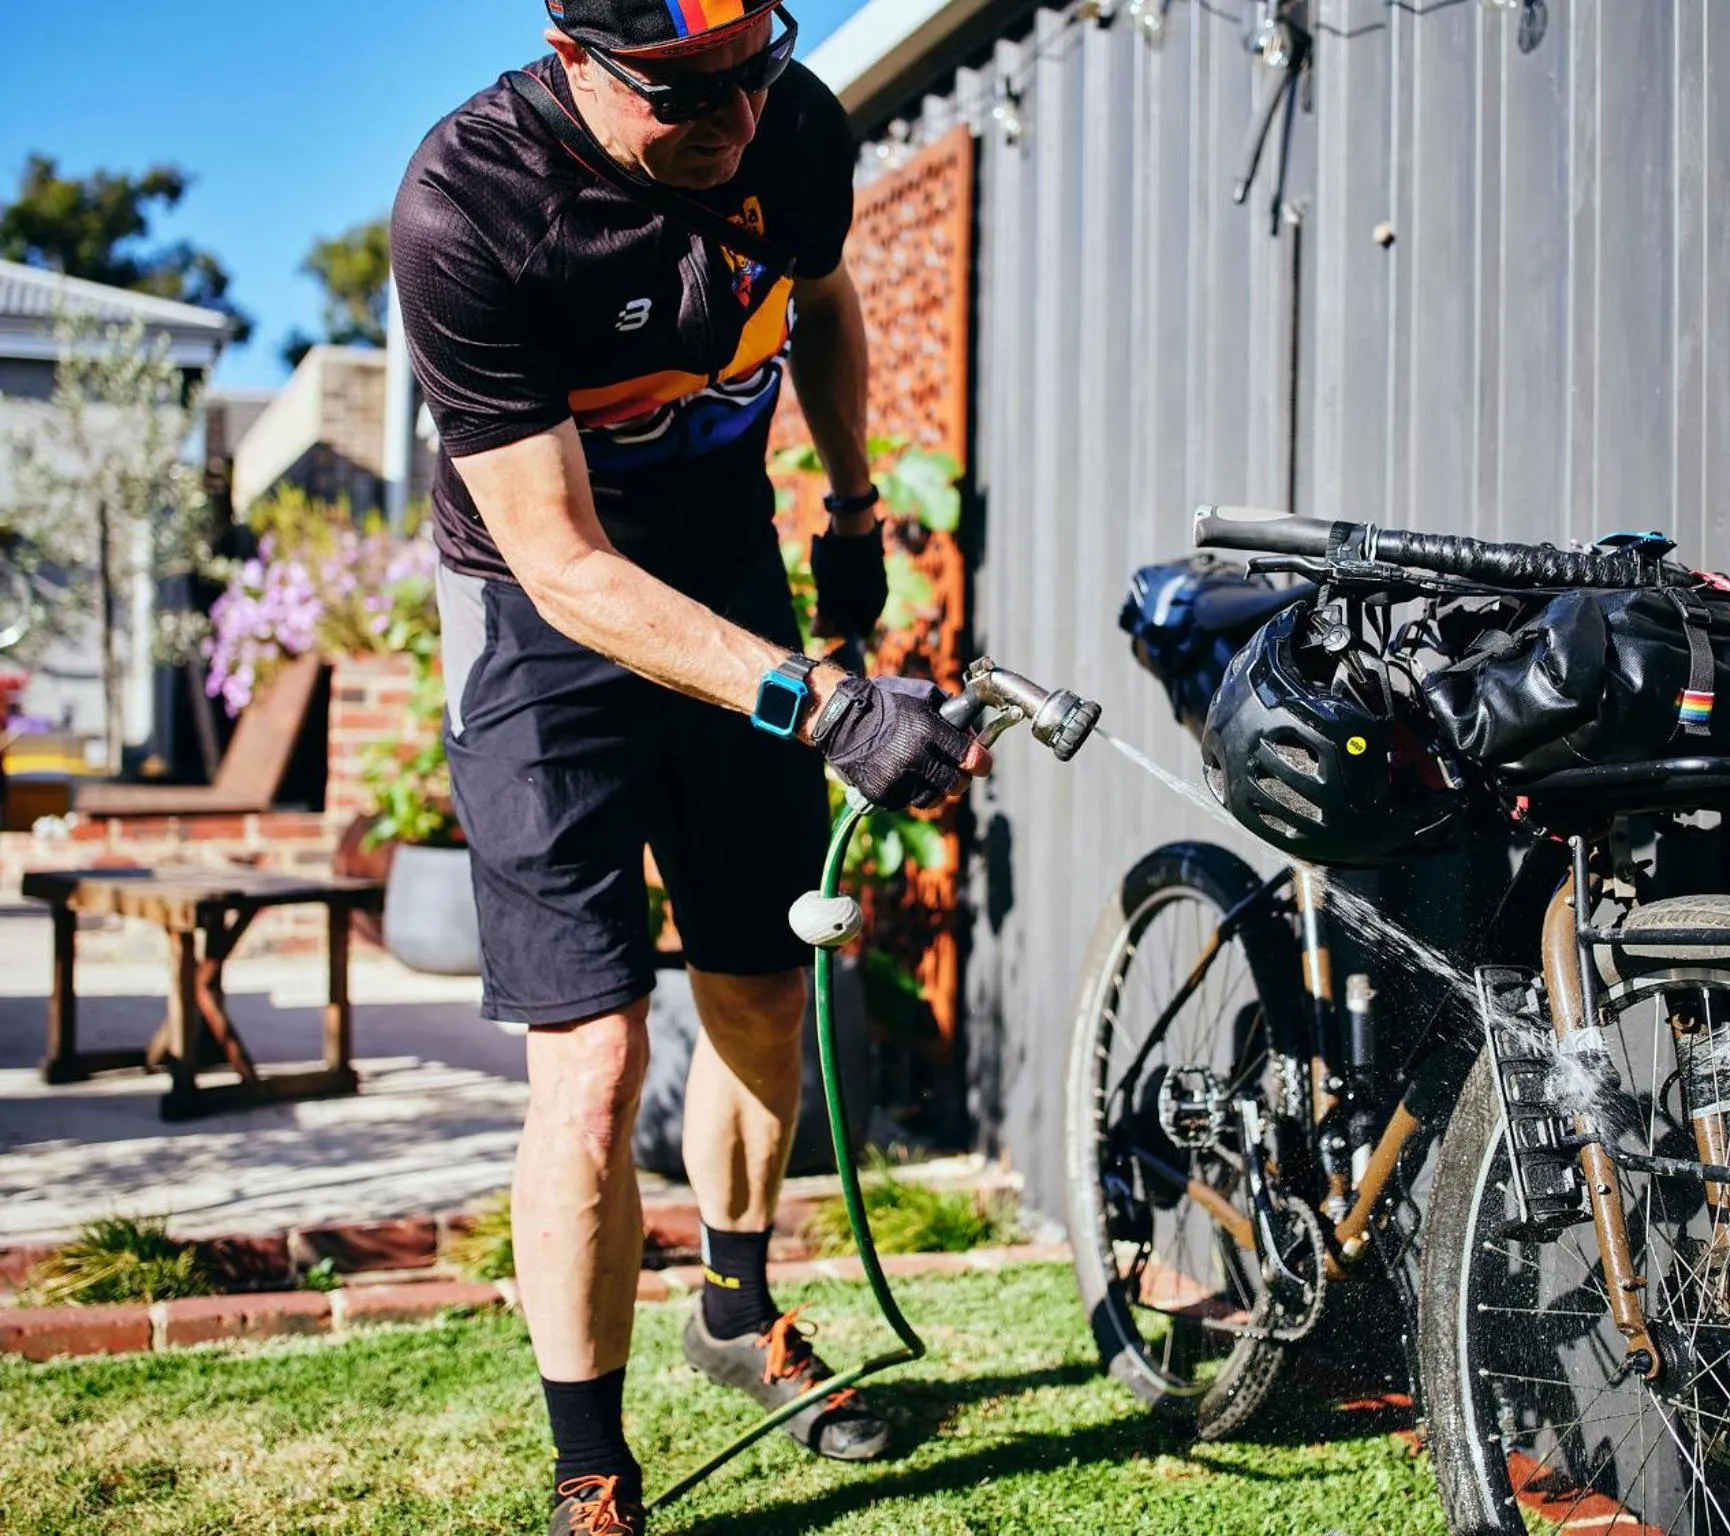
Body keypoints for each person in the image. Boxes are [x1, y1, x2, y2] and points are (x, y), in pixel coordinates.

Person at [389, 4, 987, 1530]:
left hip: (724, 566)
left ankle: (733, 1309)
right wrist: (831, 709)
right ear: (571, 55)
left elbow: (822, 297)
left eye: (749, 70)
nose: (728, 115)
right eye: (679, 92)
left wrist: (851, 507)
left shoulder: (793, 126)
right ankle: (590, 1463)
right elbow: (565, 563)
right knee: (593, 1062)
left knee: (763, 987)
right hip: (538, 620)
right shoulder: (469, 208)